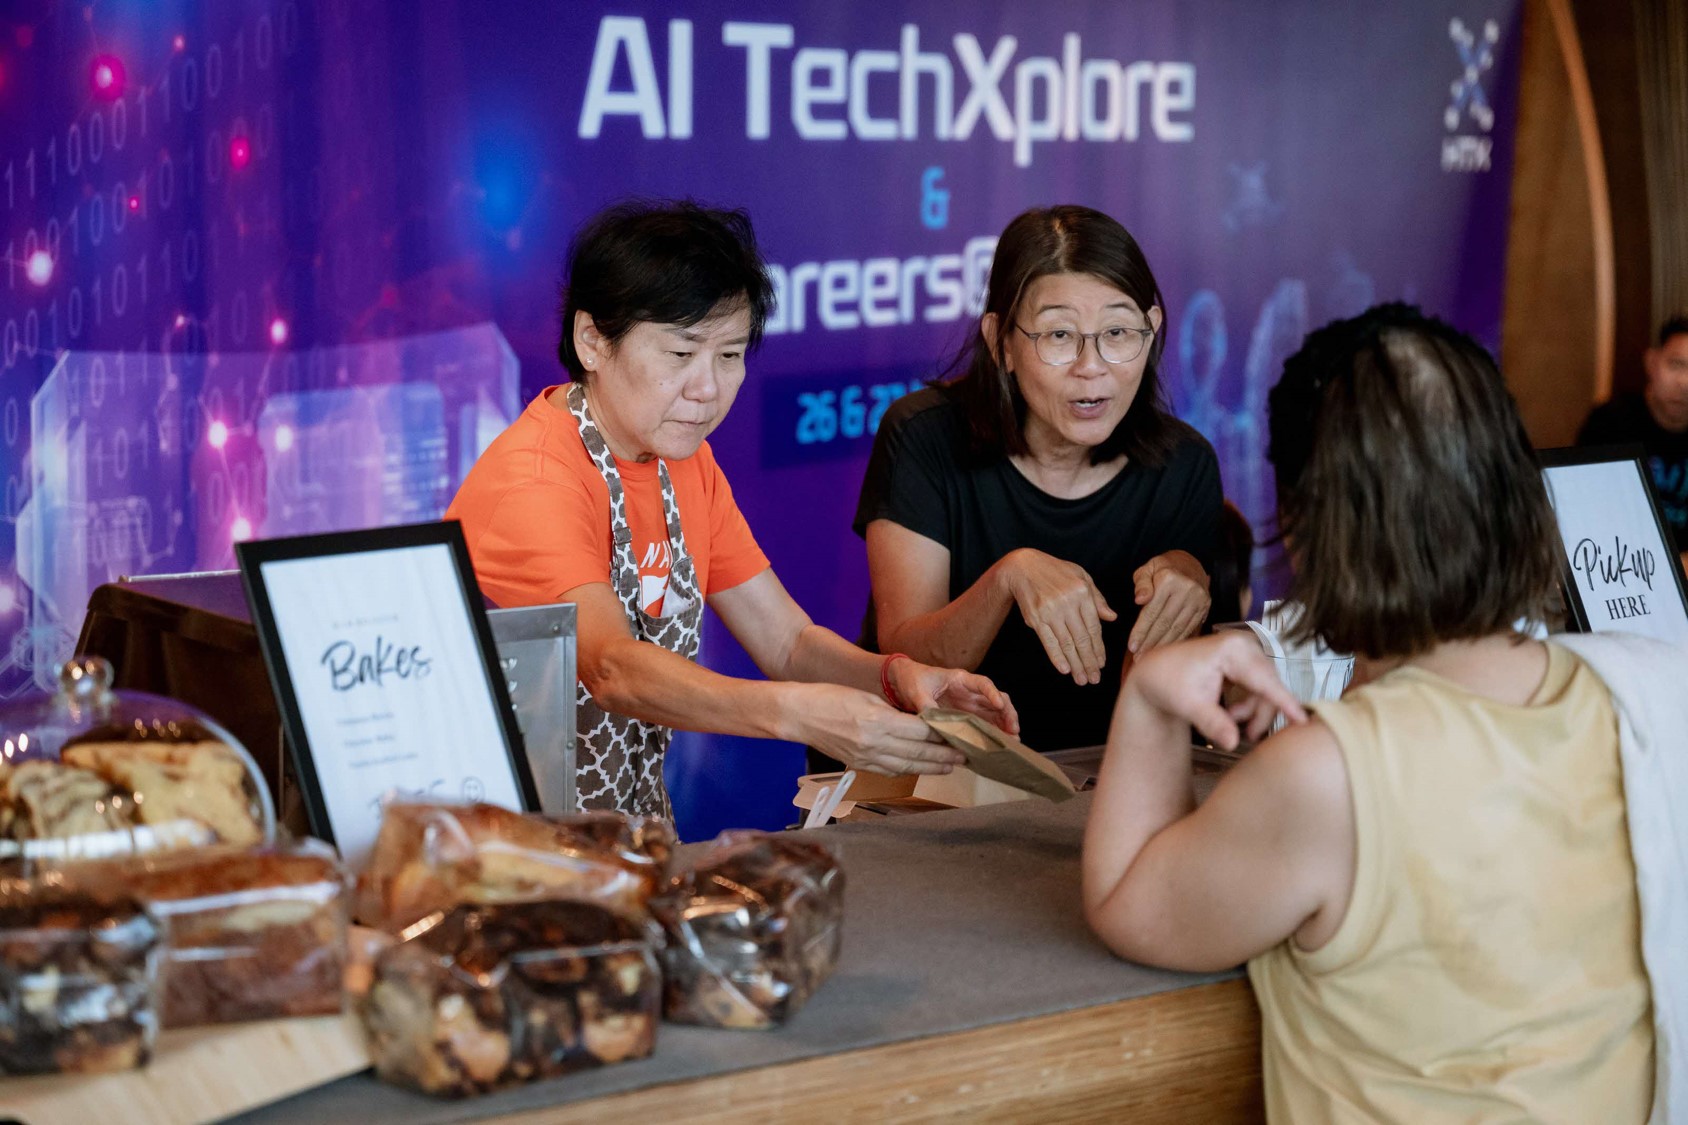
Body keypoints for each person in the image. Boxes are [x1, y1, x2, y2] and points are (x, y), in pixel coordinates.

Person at [1084, 305, 1684, 1121]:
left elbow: (1126, 902)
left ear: (1300, 525)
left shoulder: (1325, 776)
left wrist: (1151, 691)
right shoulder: (1650, 691)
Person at [447, 200, 1016, 818]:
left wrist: (901, 678)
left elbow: (789, 643)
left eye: (729, 355)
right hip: (505, 843)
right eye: (679, 354)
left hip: (624, 838)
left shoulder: (682, 457)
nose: (708, 389)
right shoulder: (533, 481)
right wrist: (798, 715)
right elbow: (613, 670)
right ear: (592, 340)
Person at [853, 205, 1220, 754]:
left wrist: (1190, 584)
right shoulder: (923, 436)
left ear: (1152, 331)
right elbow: (906, 661)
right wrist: (1006, 579)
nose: (1091, 366)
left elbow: (1187, 708)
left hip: (1106, 780)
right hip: (940, 777)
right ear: (1001, 341)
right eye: (1058, 335)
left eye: (1118, 332)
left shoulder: (1184, 464)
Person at [1578, 315, 1688, 565]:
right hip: (1618, 565)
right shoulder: (1609, 424)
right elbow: (1584, 512)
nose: (1684, 383)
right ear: (1652, 362)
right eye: (1676, 365)